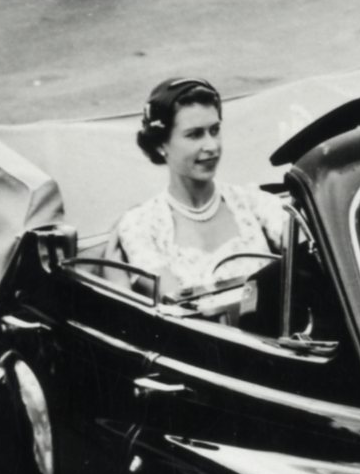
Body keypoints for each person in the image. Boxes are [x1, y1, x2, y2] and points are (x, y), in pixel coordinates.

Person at [112, 77, 290, 316]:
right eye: (195, 135)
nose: (212, 146)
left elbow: (307, 247)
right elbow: (181, 310)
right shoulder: (141, 224)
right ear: (160, 144)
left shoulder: (253, 202)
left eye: (214, 130)